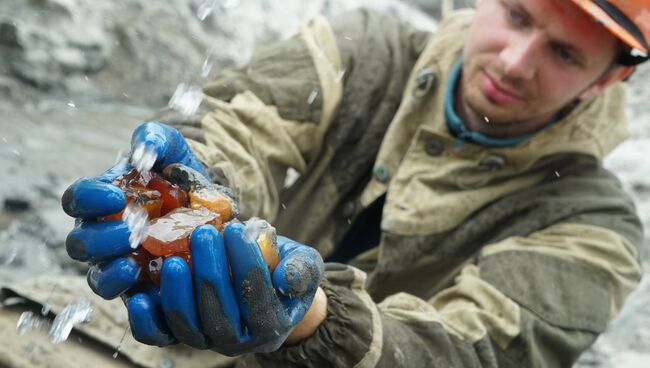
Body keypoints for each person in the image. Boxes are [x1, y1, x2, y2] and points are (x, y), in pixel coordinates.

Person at [59, 0, 650, 366]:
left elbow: (470, 356)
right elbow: (233, 125)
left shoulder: (596, 231)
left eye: (565, 54)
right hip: (134, 341)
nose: (516, 61)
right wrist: (179, 186)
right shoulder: (362, 49)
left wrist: (310, 320)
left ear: (609, 78)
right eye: (518, 15)